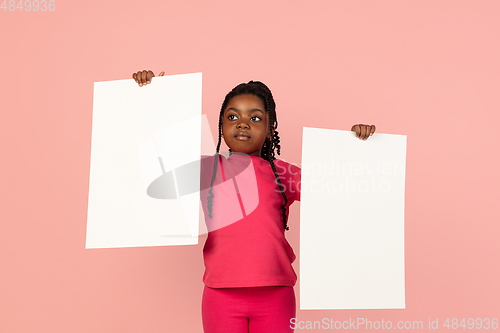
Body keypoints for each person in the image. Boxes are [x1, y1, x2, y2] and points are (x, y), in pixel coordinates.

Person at [132, 70, 376, 333]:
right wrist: (150, 97)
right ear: (221, 125)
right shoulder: (205, 169)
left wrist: (357, 147)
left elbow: (339, 193)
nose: (243, 123)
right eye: (233, 116)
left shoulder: (283, 173)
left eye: (255, 118)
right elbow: (156, 162)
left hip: (276, 294)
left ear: (270, 130)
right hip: (220, 295)